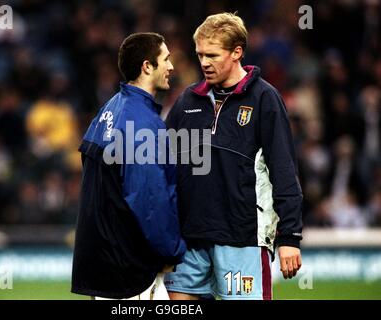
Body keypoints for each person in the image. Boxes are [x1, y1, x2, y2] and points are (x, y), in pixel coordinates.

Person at [164, 12, 303, 300]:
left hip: (242, 240)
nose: (204, 62)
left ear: (237, 52)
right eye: (200, 54)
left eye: (213, 55)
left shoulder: (265, 99)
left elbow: (284, 170)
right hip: (189, 240)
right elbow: (165, 167)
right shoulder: (187, 101)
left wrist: (289, 237)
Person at [71, 32, 186, 300]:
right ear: (147, 66)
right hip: (129, 271)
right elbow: (149, 198)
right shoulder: (142, 123)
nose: (171, 67)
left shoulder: (109, 110)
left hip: (104, 264)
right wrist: (171, 250)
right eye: (166, 59)